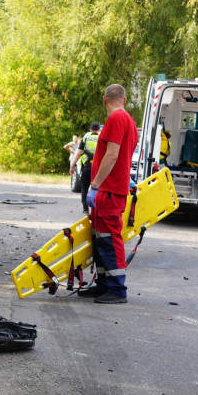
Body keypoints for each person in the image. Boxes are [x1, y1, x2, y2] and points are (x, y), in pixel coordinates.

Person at [79, 84, 138, 304]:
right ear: (124, 99)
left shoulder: (115, 120)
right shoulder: (130, 121)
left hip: (109, 190)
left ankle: (116, 288)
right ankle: (104, 284)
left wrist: (94, 186)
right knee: (102, 239)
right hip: (112, 190)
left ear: (105, 100)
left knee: (110, 239)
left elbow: (112, 155)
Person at [69, 122, 101, 214]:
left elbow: (78, 153)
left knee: (84, 188)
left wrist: (72, 166)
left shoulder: (86, 138)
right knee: (96, 188)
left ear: (90, 130)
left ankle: (85, 208)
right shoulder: (101, 138)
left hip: (86, 167)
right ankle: (95, 209)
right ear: (99, 130)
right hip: (97, 168)